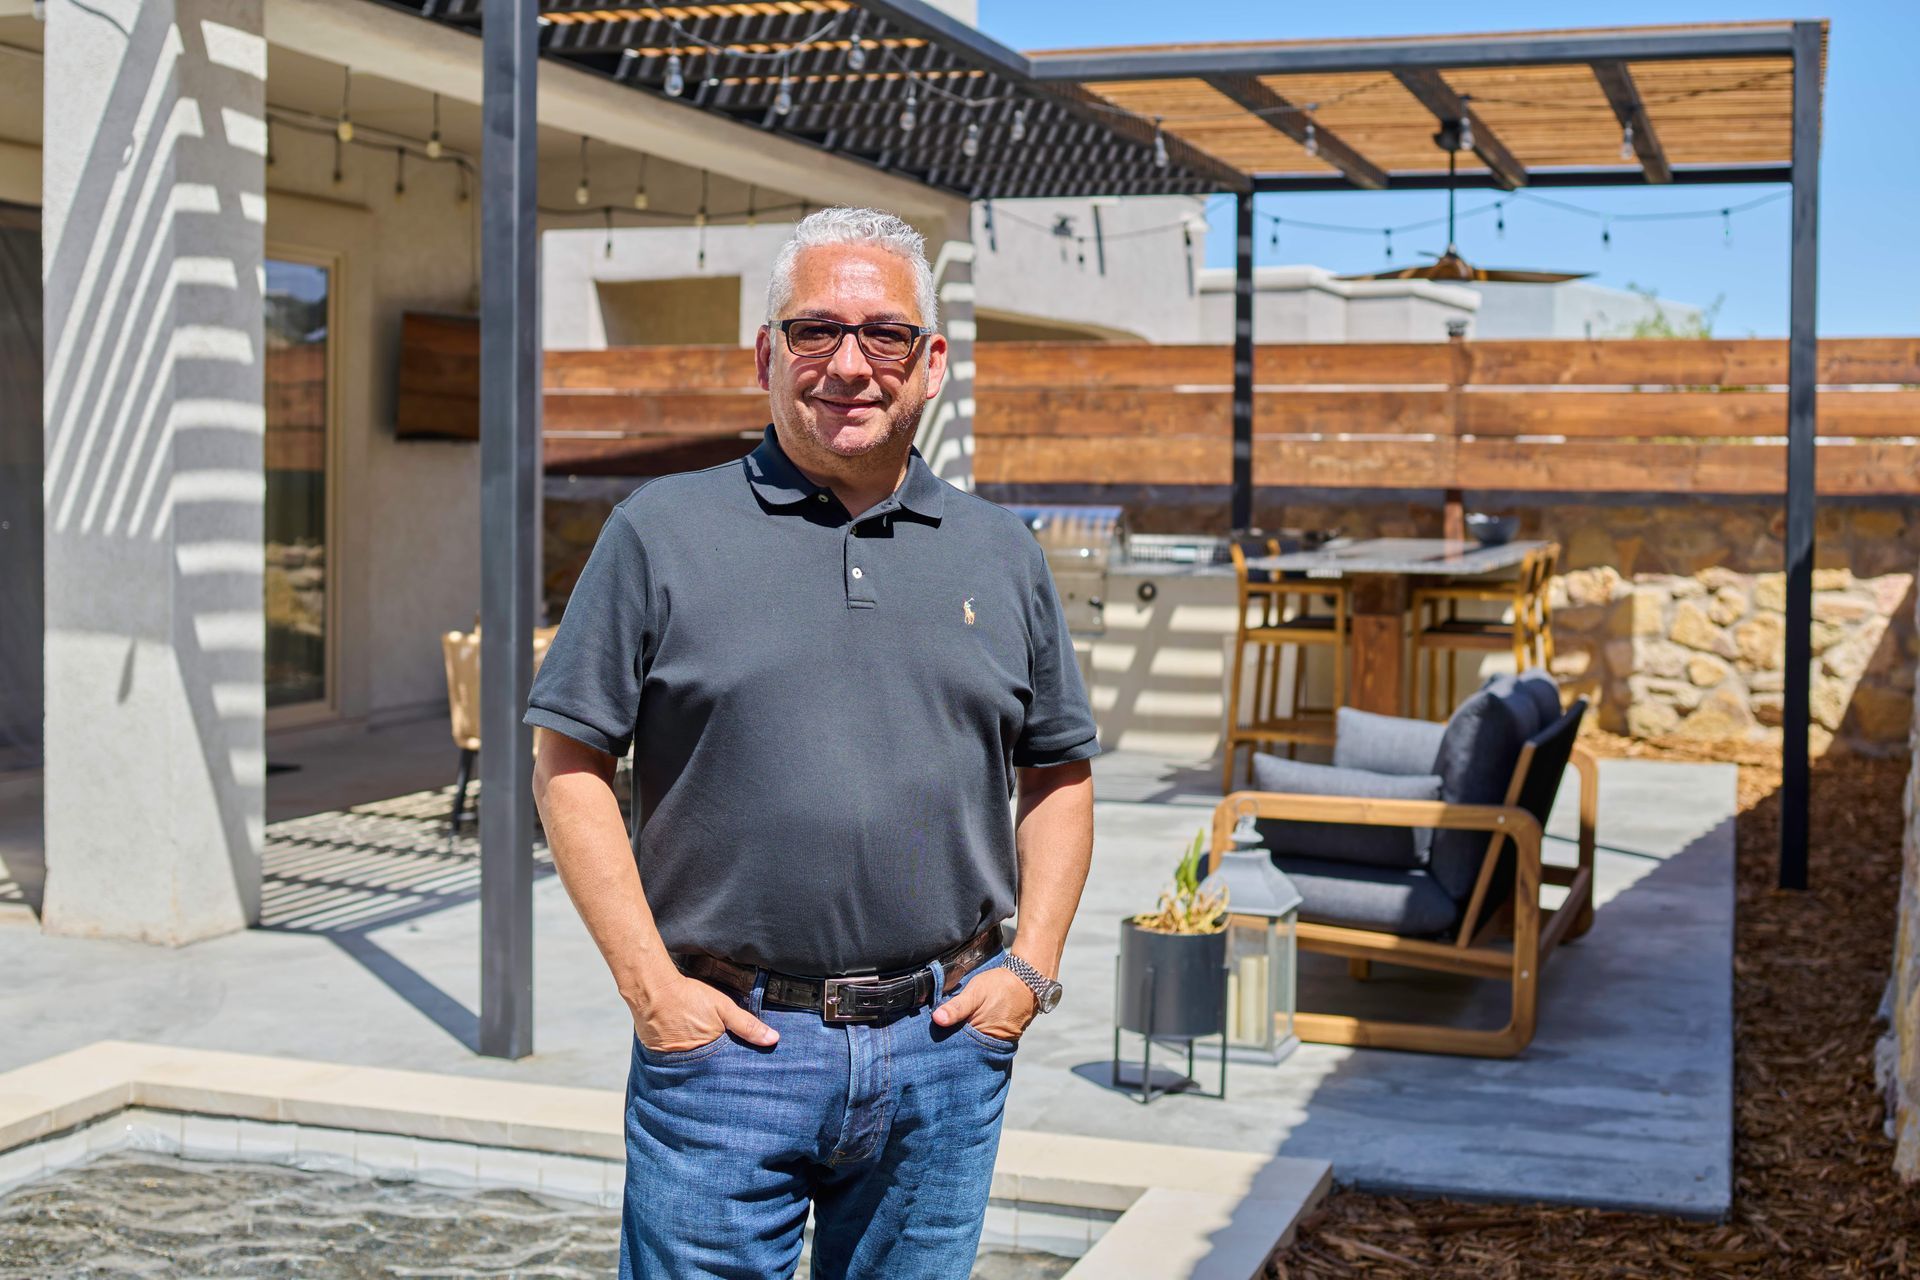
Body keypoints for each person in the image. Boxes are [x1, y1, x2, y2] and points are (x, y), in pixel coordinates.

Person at [526, 206, 1098, 1280]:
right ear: (766, 355)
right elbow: (568, 764)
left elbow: (1059, 773)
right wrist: (650, 986)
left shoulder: (1002, 553)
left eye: (884, 334)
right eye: (814, 331)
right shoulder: (659, 532)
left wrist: (1032, 971)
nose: (849, 363)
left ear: (930, 365)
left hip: (943, 1047)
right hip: (730, 1050)